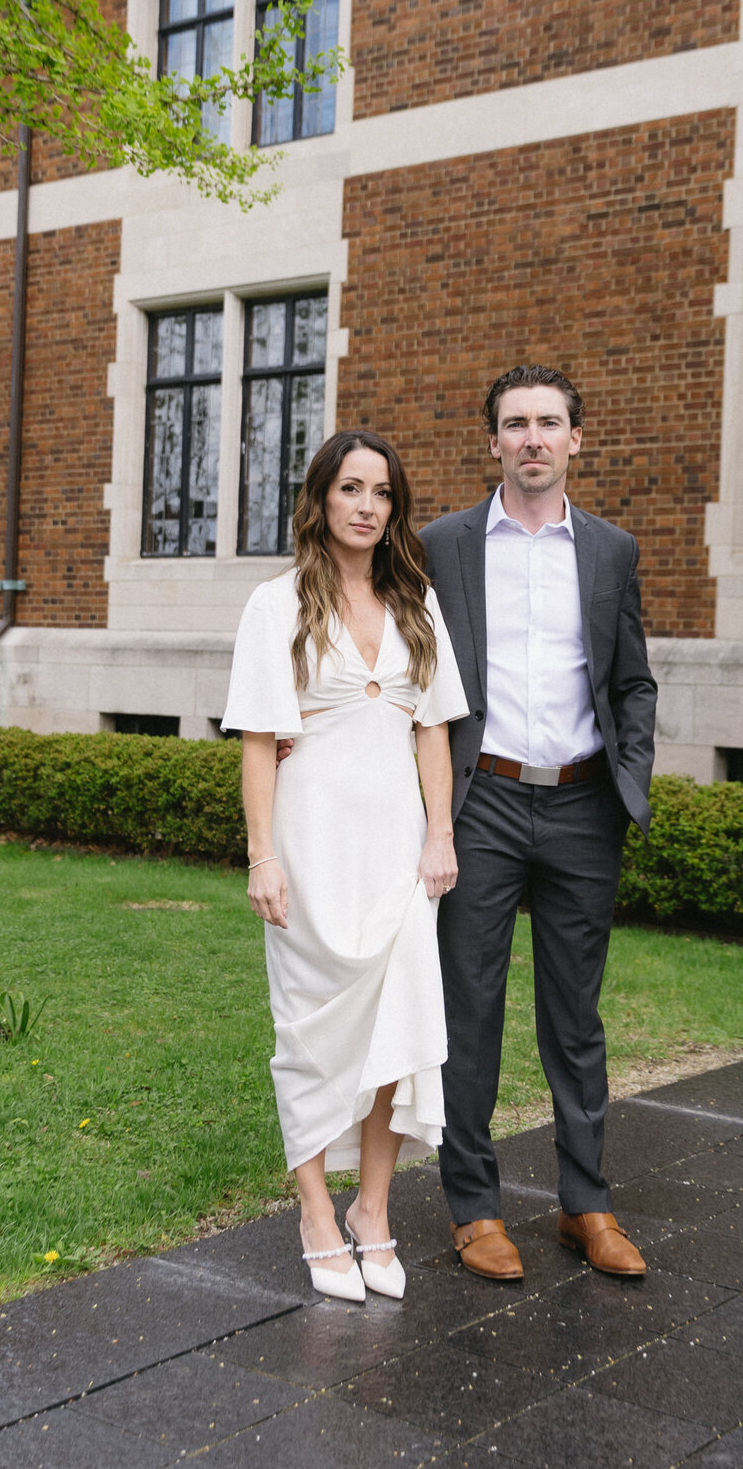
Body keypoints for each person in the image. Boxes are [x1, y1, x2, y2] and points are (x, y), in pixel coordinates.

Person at [420, 366, 657, 1281]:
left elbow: (632, 680)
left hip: (583, 808)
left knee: (576, 1017)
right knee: (470, 1009)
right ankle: (474, 1209)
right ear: (492, 442)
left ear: (574, 440)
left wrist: (628, 781)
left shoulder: (611, 550)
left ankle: (585, 1204)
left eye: (548, 423)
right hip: (481, 803)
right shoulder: (442, 546)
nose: (532, 439)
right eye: (515, 424)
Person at [222, 429, 468, 1302]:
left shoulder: (416, 601)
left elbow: (432, 730)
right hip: (310, 840)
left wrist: (440, 834)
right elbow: (259, 741)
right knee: (309, 1030)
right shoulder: (276, 604)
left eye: (383, 493)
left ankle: (371, 1208)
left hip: (398, 845)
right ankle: (315, 1213)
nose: (367, 506)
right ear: (321, 497)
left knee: (396, 1025)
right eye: (352, 488)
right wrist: (262, 856)